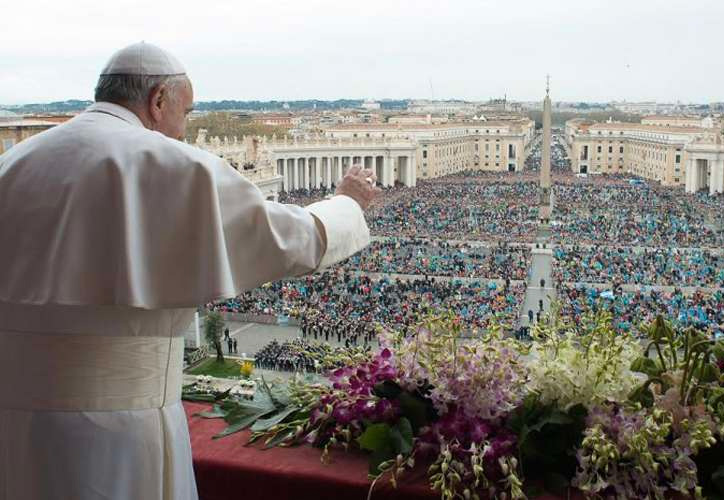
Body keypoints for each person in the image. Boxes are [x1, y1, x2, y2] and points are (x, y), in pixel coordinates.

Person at [0, 42, 379, 500]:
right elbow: (287, 238)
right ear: (158, 100)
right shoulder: (169, 163)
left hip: (13, 427)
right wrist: (346, 203)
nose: (184, 129)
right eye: (187, 112)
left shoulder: (13, 163)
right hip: (120, 427)